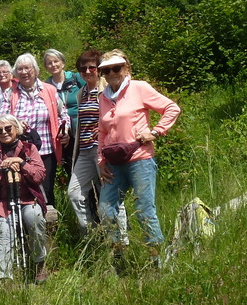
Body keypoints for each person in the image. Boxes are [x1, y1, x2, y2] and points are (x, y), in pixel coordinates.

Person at [97, 49, 181, 265]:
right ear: (103, 74)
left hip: (140, 158)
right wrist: (101, 161)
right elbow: (102, 132)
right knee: (106, 210)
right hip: (113, 163)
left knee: (144, 210)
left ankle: (155, 261)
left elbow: (171, 108)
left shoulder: (139, 88)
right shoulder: (103, 98)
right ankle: (118, 257)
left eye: (117, 68)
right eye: (107, 70)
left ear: (126, 68)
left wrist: (156, 131)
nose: (112, 73)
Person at [67, 50, 129, 239]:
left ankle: (121, 239)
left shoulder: (107, 89)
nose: (87, 71)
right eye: (83, 68)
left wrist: (105, 129)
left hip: (103, 150)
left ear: (99, 69)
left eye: (91, 67)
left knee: (110, 193)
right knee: (75, 193)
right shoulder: (81, 93)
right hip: (84, 151)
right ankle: (93, 235)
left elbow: (120, 113)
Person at [0, 115, 49, 283]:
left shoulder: (29, 148)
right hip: (4, 202)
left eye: (8, 128)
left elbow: (40, 175)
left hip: (28, 199)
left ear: (16, 128)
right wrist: (0, 170)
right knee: (5, 231)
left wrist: (22, 164)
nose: (4, 132)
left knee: (33, 217)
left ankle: (39, 263)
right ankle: (5, 278)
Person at [9, 53, 70, 210]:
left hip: (46, 151)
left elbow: (63, 115)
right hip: (20, 152)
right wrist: (15, 124)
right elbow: (2, 119)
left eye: (27, 68)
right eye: (20, 69)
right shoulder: (11, 93)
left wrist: (66, 130)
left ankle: (50, 229)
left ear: (35, 70)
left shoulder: (49, 90)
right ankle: (30, 229)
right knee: (25, 192)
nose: (24, 72)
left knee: (47, 190)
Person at [43, 49, 86, 175]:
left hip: (81, 127)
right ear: (46, 67)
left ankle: (94, 193)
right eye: (49, 63)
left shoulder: (76, 78)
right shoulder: (46, 85)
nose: (53, 65)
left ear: (63, 63)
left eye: (56, 61)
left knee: (85, 161)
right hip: (62, 131)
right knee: (70, 163)